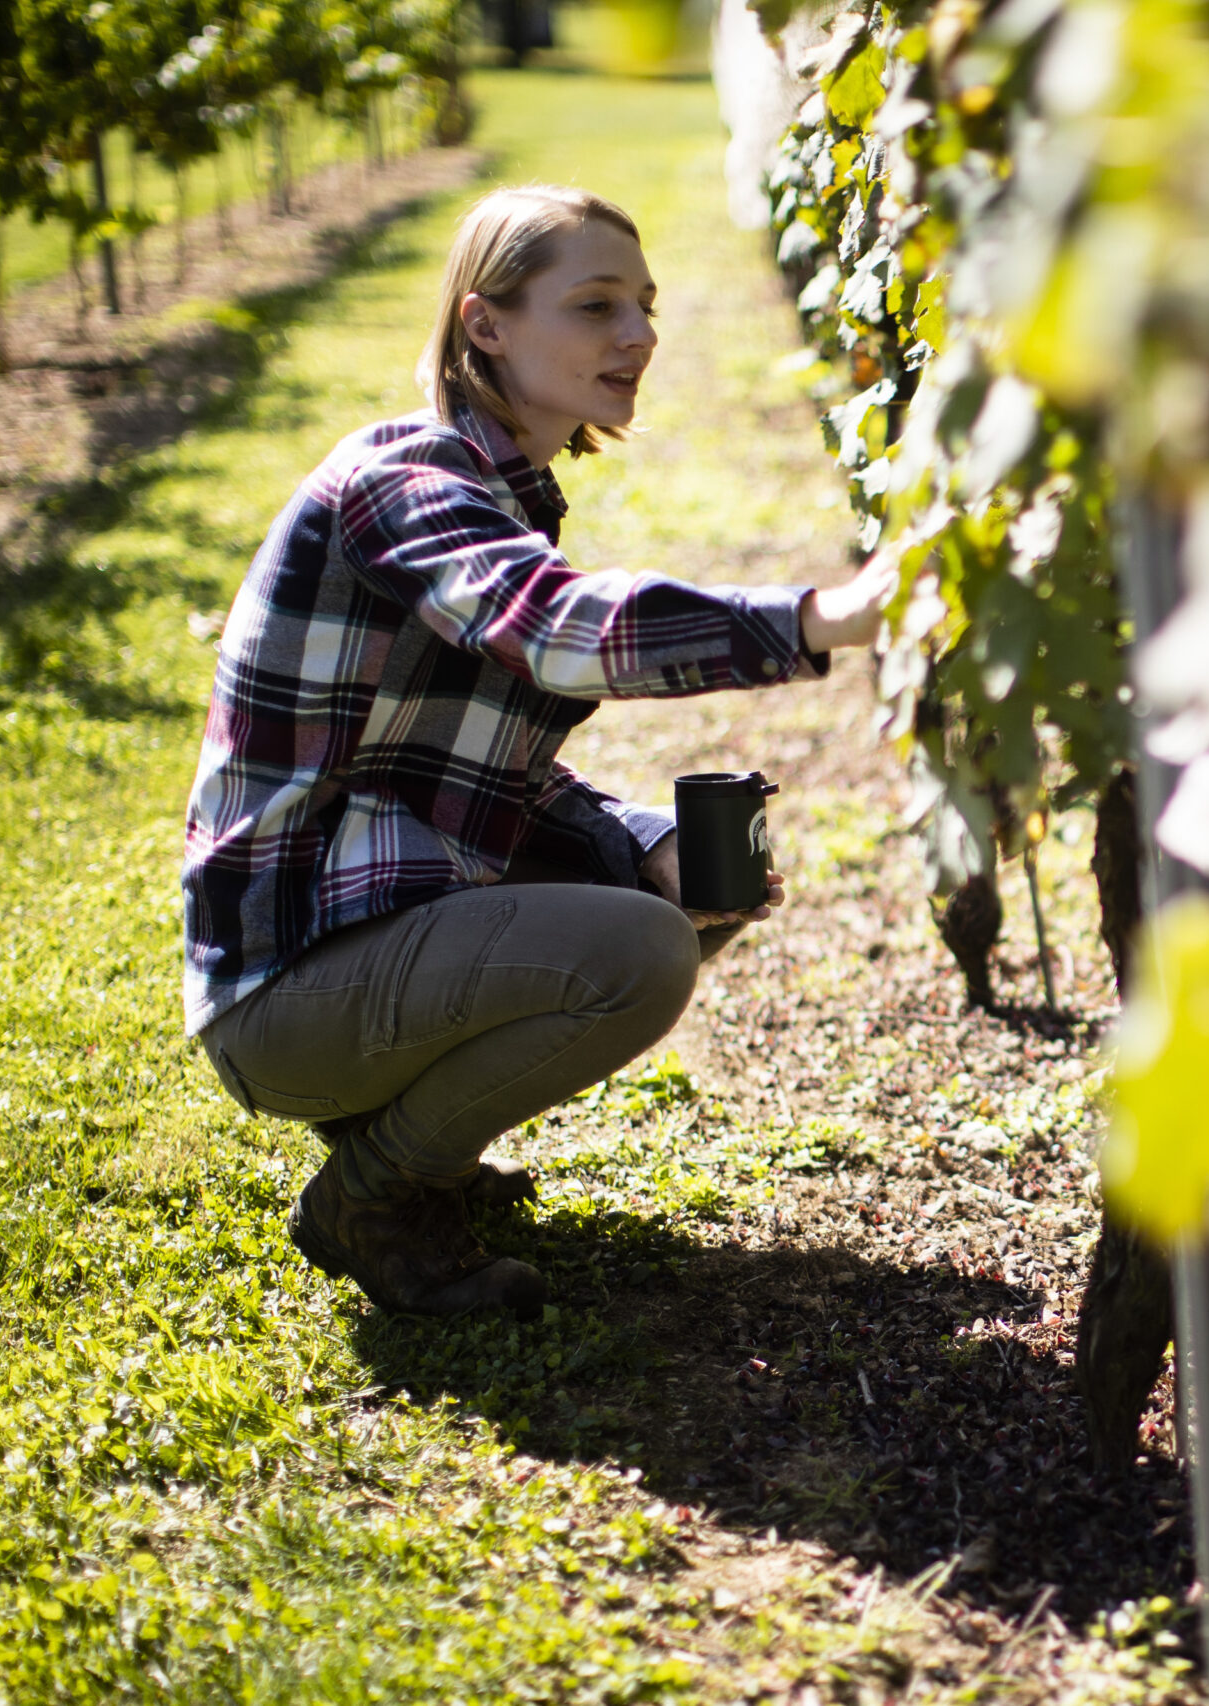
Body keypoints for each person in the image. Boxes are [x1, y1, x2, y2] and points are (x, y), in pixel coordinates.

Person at [180, 184, 893, 1322]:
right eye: (596, 305)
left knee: (691, 880)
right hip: (282, 984)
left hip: (356, 938)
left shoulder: (502, 495)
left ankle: (413, 1140)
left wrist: (640, 844)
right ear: (486, 326)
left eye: (645, 305)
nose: (639, 336)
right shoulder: (405, 482)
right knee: (640, 950)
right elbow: (563, 633)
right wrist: (817, 619)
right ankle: (375, 1191)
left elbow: (482, 770)